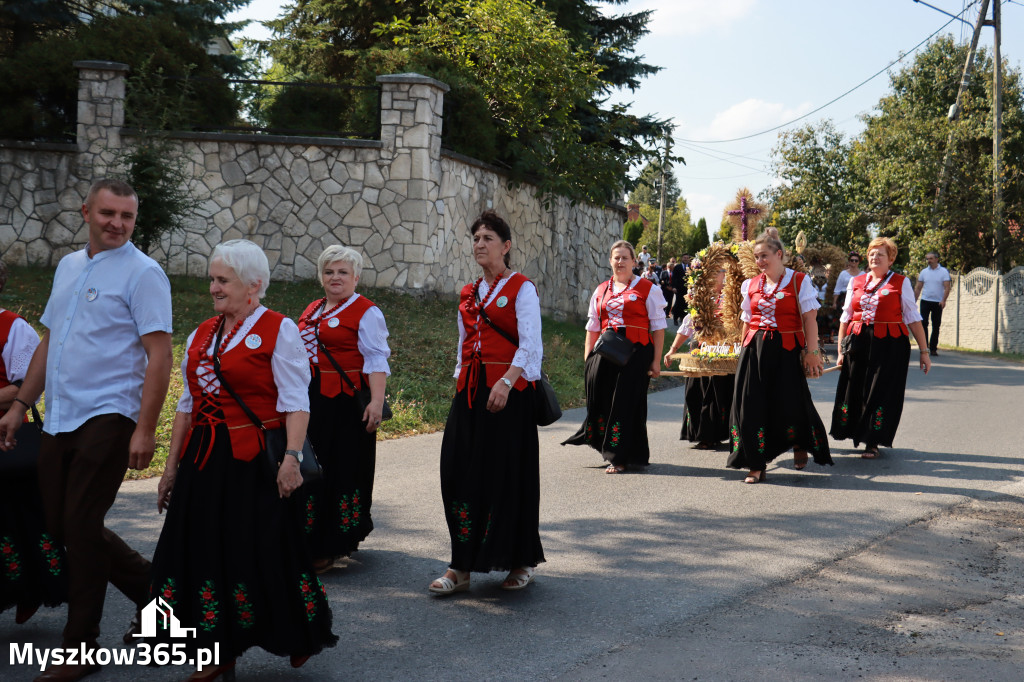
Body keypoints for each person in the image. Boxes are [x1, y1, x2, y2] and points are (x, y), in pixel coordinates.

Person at [0, 179, 173, 682]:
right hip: (60, 416)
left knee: (79, 523)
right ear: (86, 212)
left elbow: (160, 356)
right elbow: (50, 340)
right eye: (108, 213)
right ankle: (160, 601)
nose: (117, 223)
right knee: (60, 525)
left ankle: (80, 648)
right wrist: (21, 406)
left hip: (111, 414)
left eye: (127, 215)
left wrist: (145, 428)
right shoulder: (69, 266)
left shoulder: (145, 274)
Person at [152, 239, 337, 679]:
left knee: (261, 550)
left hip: (252, 462)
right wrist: (171, 467)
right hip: (203, 459)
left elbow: (296, 401)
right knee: (200, 550)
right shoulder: (201, 333)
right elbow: (185, 405)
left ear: (252, 285)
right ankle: (216, 647)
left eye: (223, 280)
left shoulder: (278, 328)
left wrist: (291, 458)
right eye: (212, 279)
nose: (214, 288)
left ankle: (296, 630)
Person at [429, 211, 545, 595]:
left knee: (508, 476)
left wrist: (507, 382)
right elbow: (464, 346)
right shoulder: (468, 292)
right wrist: (461, 387)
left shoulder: (522, 288)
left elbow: (530, 346)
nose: (479, 243)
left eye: (488, 238)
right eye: (476, 237)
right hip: (471, 393)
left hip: (510, 396)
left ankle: (520, 559)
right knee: (459, 472)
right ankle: (461, 564)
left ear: (506, 246)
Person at [296, 245, 391, 572]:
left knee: (342, 470)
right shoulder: (312, 309)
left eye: (342, 272)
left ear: (356, 277)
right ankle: (306, 538)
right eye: (329, 271)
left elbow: (377, 359)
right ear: (321, 276)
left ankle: (332, 543)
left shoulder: (366, 311)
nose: (335, 277)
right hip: (310, 401)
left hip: (347, 404)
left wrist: (376, 402)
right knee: (310, 468)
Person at [728, 228, 831, 483]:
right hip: (754, 348)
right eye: (757, 257)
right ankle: (755, 463)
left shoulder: (798, 281)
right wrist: (742, 351)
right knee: (749, 404)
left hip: (786, 350)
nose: (760, 261)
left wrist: (812, 352)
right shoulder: (749, 284)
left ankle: (799, 442)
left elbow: (809, 318)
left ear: (780, 254)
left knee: (791, 402)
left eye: (764, 256)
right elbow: (746, 320)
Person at [0, 261, 67, 626]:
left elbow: (25, 385)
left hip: (6, 445)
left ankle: (31, 589)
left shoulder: (13, 328)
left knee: (20, 523)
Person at [563, 240, 667, 473]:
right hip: (606, 352)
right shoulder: (601, 290)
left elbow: (658, 327)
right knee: (604, 400)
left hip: (637, 352)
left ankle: (619, 456)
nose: (620, 262)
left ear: (633, 261)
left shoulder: (648, 289)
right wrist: (588, 359)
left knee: (626, 402)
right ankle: (610, 447)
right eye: (616, 257)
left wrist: (656, 360)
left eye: (624, 258)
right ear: (610, 261)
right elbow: (593, 326)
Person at [831, 237, 931, 458]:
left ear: (891, 258)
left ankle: (872, 440)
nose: (875, 257)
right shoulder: (855, 281)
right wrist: (840, 351)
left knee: (880, 390)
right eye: (872, 253)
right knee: (855, 388)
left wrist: (924, 351)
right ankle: (856, 431)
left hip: (889, 344)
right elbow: (845, 318)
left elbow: (913, 318)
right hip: (858, 342)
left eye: (881, 254)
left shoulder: (900, 282)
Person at [662, 266, 732, 449]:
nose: (718, 274)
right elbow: (688, 325)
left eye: (721, 271)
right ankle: (703, 434)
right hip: (702, 349)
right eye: (716, 271)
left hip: (726, 352)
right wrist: (673, 349)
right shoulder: (702, 298)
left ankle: (721, 433)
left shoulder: (734, 297)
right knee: (699, 392)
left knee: (721, 394)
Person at [914, 251, 951, 356]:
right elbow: (918, 287)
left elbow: (947, 287)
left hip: (937, 302)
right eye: (927, 259)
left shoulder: (943, 272)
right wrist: (913, 301)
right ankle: (925, 346)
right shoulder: (924, 272)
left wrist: (943, 300)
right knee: (923, 323)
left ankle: (933, 347)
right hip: (925, 300)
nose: (929, 261)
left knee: (936, 325)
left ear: (936, 259)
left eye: (930, 258)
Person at [671, 255, 690, 325]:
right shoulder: (677, 267)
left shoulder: (691, 267)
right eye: (685, 258)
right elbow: (673, 278)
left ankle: (683, 318)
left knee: (686, 304)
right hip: (678, 289)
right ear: (682, 258)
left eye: (687, 258)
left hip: (687, 289)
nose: (686, 259)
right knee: (678, 303)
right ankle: (675, 318)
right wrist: (673, 287)